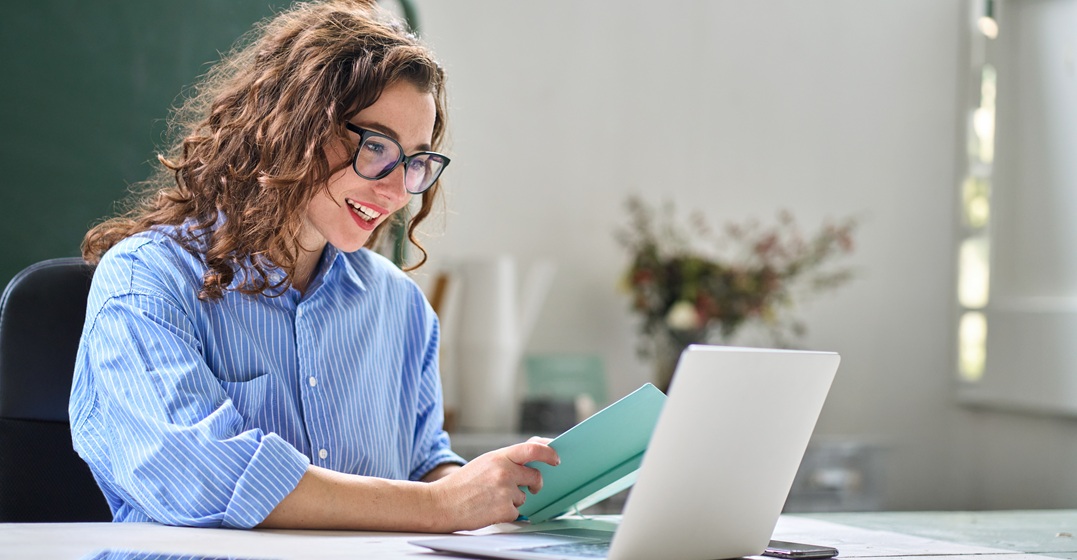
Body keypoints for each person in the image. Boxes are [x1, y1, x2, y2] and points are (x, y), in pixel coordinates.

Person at [69, 0, 558, 532]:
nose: (397, 190)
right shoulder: (145, 281)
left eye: (416, 162)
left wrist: (501, 488)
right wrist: (440, 506)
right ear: (294, 127)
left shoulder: (401, 308)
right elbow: (201, 474)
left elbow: (424, 465)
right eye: (376, 147)